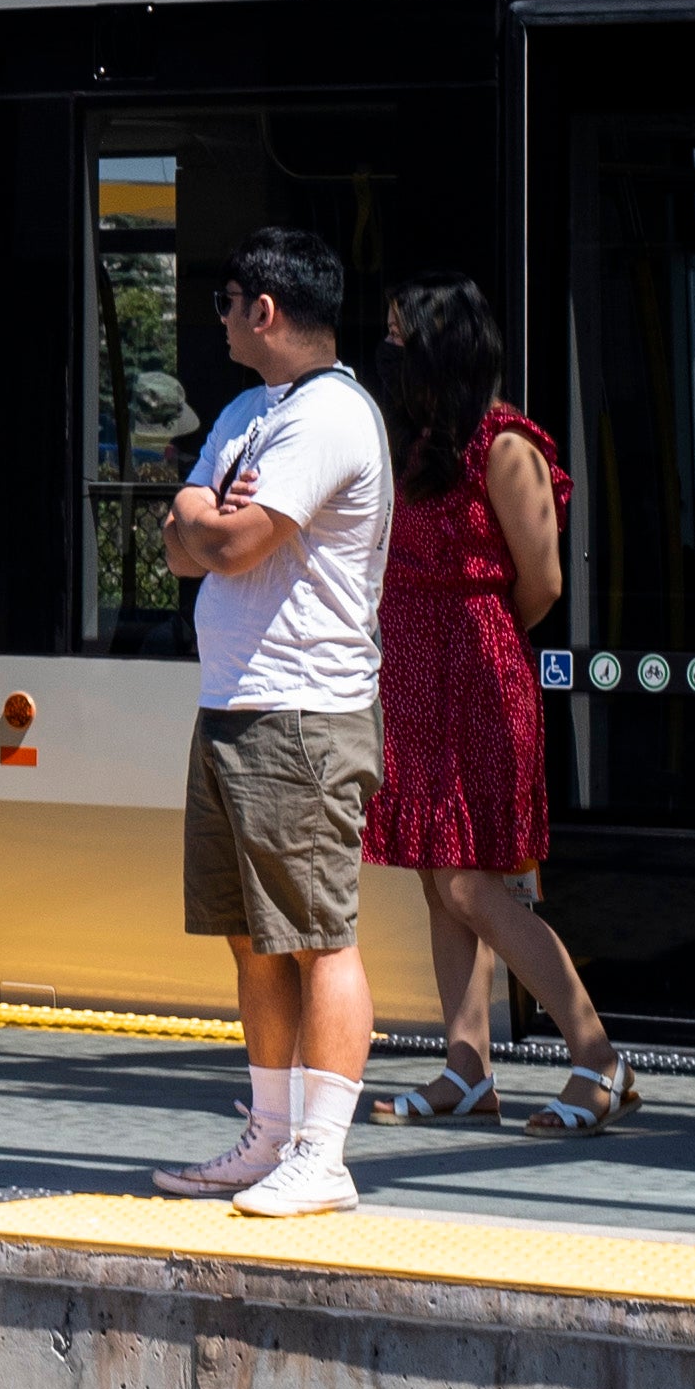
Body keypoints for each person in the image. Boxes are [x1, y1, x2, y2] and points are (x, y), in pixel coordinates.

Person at [152, 224, 400, 1217]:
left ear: (263, 308)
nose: (216, 319)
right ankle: (268, 1133)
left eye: (224, 302)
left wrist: (205, 520)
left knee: (315, 934)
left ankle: (322, 1153)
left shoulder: (330, 417)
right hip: (234, 703)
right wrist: (196, 513)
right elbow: (182, 539)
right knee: (254, 937)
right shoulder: (254, 407)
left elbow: (237, 537)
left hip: (301, 709)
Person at [359, 281, 633, 1139]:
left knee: (475, 883)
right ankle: (467, 1067)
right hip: (414, 679)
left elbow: (542, 581)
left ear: (444, 349)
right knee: (441, 881)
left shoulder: (505, 443)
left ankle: (598, 1057)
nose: (389, 353)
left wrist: (469, 637)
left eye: (403, 338)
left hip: (479, 677)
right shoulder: (417, 441)